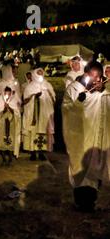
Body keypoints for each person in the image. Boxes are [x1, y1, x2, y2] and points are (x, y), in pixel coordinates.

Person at [62, 61, 109, 212]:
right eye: (93, 76)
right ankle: (80, 201)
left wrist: (102, 92)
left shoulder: (102, 92)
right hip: (79, 137)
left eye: (99, 77)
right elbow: (66, 109)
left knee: (94, 167)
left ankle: (91, 201)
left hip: (95, 137)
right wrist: (78, 103)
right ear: (85, 74)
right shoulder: (74, 89)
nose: (96, 80)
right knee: (80, 168)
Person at [22, 68, 55, 161]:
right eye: (38, 73)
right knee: (33, 131)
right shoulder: (30, 86)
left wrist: (48, 95)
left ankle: (41, 152)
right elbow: (25, 100)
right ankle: (32, 152)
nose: (40, 75)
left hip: (45, 113)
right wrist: (34, 97)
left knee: (43, 131)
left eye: (41, 73)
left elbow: (53, 98)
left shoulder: (47, 85)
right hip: (34, 114)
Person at [0, 87, 21, 166]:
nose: (7, 95)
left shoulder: (14, 101)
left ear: (11, 94)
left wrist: (9, 107)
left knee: (11, 142)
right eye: (6, 94)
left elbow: (17, 113)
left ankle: (9, 158)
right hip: (2, 125)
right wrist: (4, 109)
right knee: (2, 143)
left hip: (11, 125)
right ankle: (3, 159)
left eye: (9, 94)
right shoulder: (1, 101)